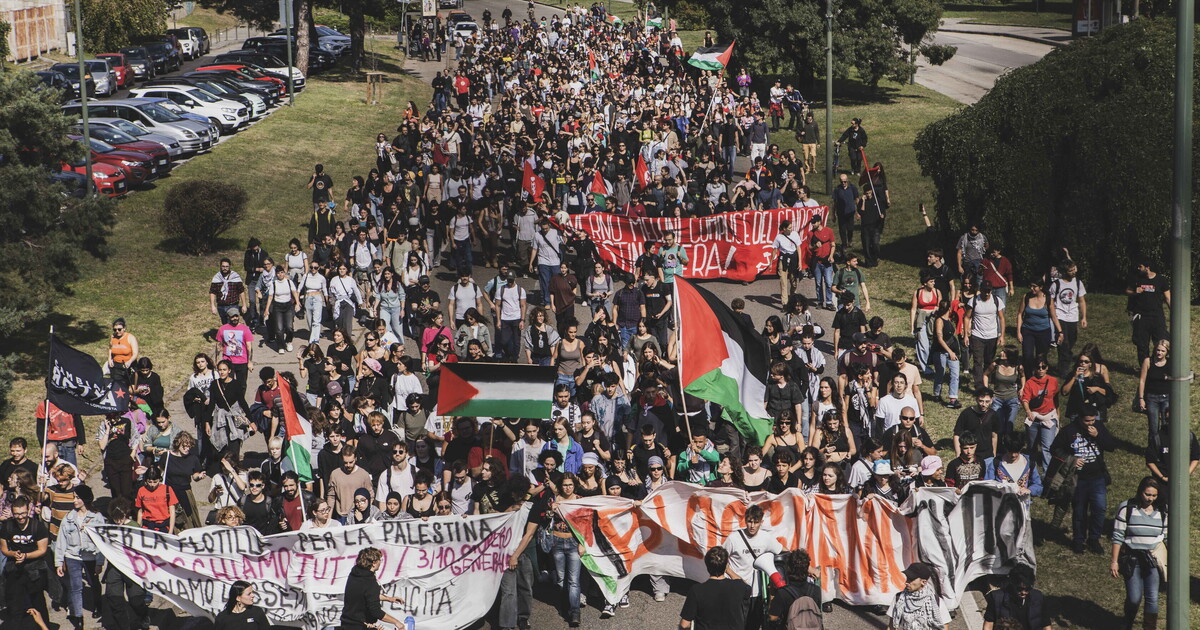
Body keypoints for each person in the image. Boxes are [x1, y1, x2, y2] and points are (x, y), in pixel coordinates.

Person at [1050, 405, 1115, 554]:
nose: (1091, 423)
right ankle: (1078, 540)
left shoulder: (1098, 427)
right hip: (1077, 478)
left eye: (1093, 420)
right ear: (1080, 419)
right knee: (1079, 511)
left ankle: (1094, 539)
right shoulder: (1068, 431)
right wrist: (1071, 459)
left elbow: (1111, 446)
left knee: (1099, 509)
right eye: (1087, 421)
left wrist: (1098, 435)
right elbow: (1055, 449)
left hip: (1097, 477)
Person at [722, 504, 783, 630]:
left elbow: (782, 551)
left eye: (756, 522)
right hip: (737, 591)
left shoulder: (766, 537)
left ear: (761, 522)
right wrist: (734, 576)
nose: (752, 525)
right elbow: (720, 559)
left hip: (757, 593)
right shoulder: (733, 538)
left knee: (753, 626)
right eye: (749, 521)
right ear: (745, 520)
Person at [2, 496, 50, 626]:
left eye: (23, 513)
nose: (20, 517)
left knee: (37, 600)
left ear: (28, 510)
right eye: (17, 514)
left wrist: (26, 555)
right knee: (15, 602)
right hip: (15, 568)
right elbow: (4, 549)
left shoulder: (38, 527)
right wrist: (13, 553)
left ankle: (44, 626)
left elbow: (42, 550)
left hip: (35, 569)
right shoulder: (7, 526)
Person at [679, 546, 751, 630]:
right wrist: (729, 571)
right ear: (726, 565)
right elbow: (747, 588)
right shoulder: (738, 586)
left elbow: (684, 624)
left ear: (707, 565)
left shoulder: (696, 590)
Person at [1048, 259, 1087, 381]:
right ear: (1065, 272)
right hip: (1060, 316)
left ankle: (1064, 360)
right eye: (1071, 270)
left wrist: (1083, 317)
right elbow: (1050, 304)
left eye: (1074, 269)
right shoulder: (1056, 285)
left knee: (1071, 342)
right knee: (1064, 343)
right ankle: (1064, 371)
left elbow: (1081, 300)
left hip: (1073, 317)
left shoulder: (1078, 283)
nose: (1074, 272)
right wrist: (1054, 318)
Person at [1125, 261, 1170, 363]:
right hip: (1141, 316)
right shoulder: (1136, 278)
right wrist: (1135, 292)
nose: (1138, 268)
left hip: (1157, 316)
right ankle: (1145, 368)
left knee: (1162, 342)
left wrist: (1175, 313)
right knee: (1142, 345)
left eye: (1140, 266)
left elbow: (1168, 297)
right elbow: (1127, 291)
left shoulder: (1161, 279)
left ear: (1147, 267)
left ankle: (1160, 366)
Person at [981, 565, 1051, 630]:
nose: (1024, 592)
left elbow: (1046, 624)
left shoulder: (1038, 597)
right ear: (1012, 584)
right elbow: (989, 623)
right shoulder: (996, 598)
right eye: (1019, 589)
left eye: (1027, 589)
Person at [964, 281, 1005, 389]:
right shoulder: (973, 301)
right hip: (977, 335)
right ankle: (979, 385)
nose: (987, 294)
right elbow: (967, 317)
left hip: (992, 335)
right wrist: (965, 335)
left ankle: (988, 380)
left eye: (989, 291)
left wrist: (1002, 336)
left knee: (989, 360)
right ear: (980, 290)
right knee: (978, 361)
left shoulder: (996, 301)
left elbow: (1001, 318)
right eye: (985, 291)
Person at [888, 562, 950, 630]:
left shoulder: (937, 602)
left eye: (911, 579)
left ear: (923, 582)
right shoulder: (899, 598)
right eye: (907, 578)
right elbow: (891, 627)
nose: (907, 582)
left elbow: (944, 627)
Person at [1137, 339, 1171, 441]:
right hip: (1152, 398)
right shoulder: (1148, 361)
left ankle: (1166, 449)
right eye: (1158, 350)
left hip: (1166, 398)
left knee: (1166, 425)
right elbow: (1142, 380)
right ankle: (1153, 451)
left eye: (1162, 351)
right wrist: (1141, 398)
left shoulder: (1170, 363)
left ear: (1167, 352)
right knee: (1153, 427)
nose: (1159, 353)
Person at [771, 220, 802, 305]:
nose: (791, 229)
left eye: (791, 227)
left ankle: (793, 297)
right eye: (789, 228)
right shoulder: (779, 237)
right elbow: (774, 250)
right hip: (783, 259)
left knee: (794, 282)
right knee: (783, 282)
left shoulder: (795, 234)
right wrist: (770, 262)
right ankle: (784, 303)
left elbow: (799, 248)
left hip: (793, 259)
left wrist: (800, 262)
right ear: (784, 229)